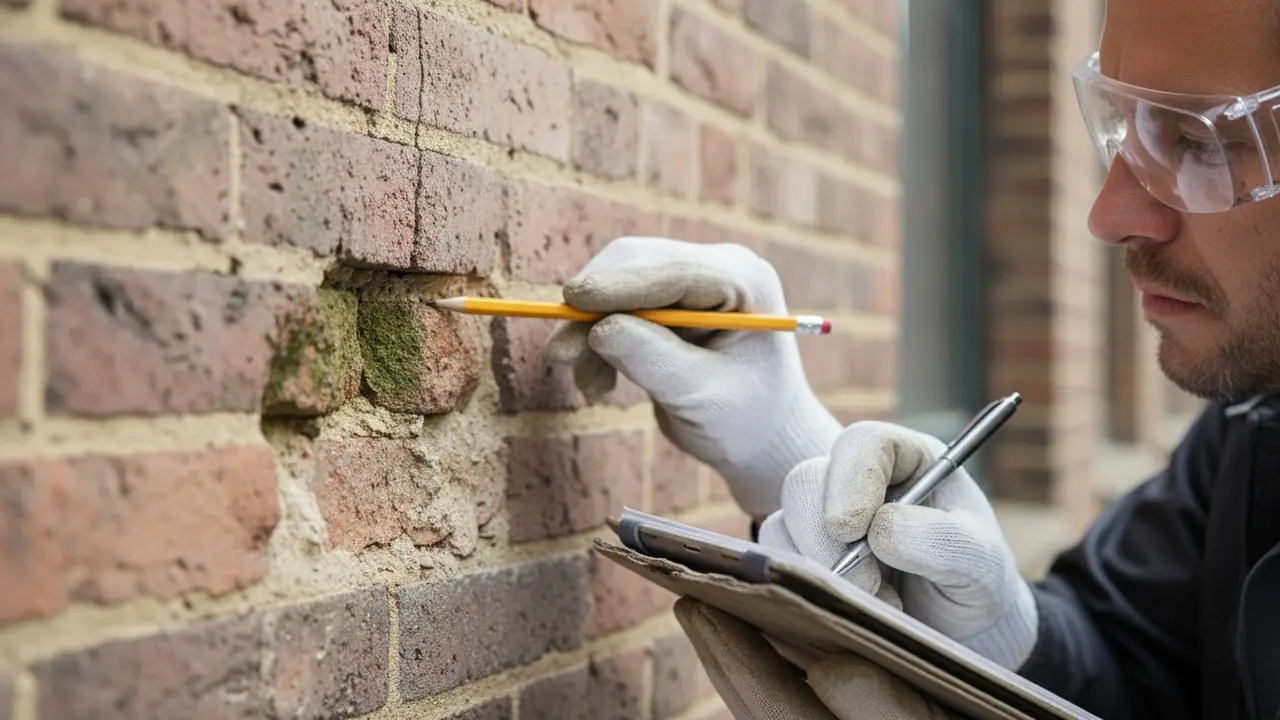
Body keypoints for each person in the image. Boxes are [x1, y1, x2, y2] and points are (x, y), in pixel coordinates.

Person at [545, 0, 1280, 717]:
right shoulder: (1253, 426)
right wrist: (787, 446)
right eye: (1124, 129)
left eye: (1197, 142)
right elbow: (1141, 671)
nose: (1108, 215)